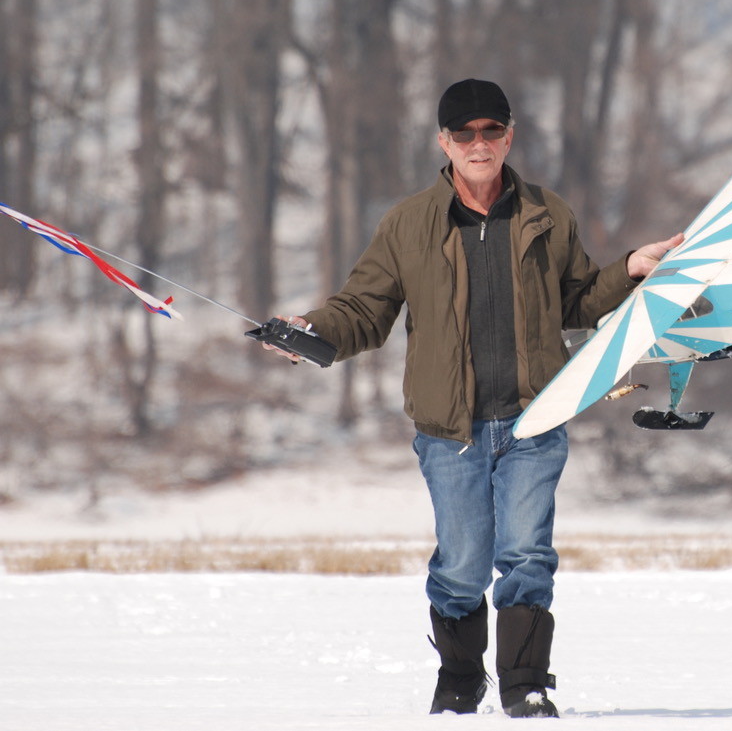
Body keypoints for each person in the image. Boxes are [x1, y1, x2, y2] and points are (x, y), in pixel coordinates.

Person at [264, 78, 681, 718]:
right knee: (461, 566)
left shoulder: (548, 213)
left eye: (492, 131)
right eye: (465, 133)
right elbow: (364, 310)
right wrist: (312, 334)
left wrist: (626, 272)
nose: (479, 143)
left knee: (527, 555)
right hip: (449, 430)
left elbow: (574, 301)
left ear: (509, 137)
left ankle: (525, 686)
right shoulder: (408, 224)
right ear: (444, 142)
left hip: (534, 418)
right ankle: (460, 678)